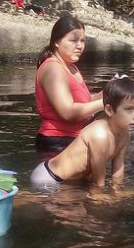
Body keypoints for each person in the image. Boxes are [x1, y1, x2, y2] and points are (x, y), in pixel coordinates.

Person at [30, 76, 134, 189]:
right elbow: (99, 183)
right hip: (50, 178)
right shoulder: (100, 134)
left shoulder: (124, 135)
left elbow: (118, 171)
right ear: (109, 110)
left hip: (72, 180)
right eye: (129, 109)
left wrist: (118, 190)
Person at [35, 14, 104, 154]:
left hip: (75, 139)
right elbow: (69, 112)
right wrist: (105, 102)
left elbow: (83, 102)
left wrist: (108, 93)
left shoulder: (70, 66)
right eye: (73, 40)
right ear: (57, 42)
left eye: (82, 41)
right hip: (57, 143)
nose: (79, 46)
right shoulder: (53, 69)